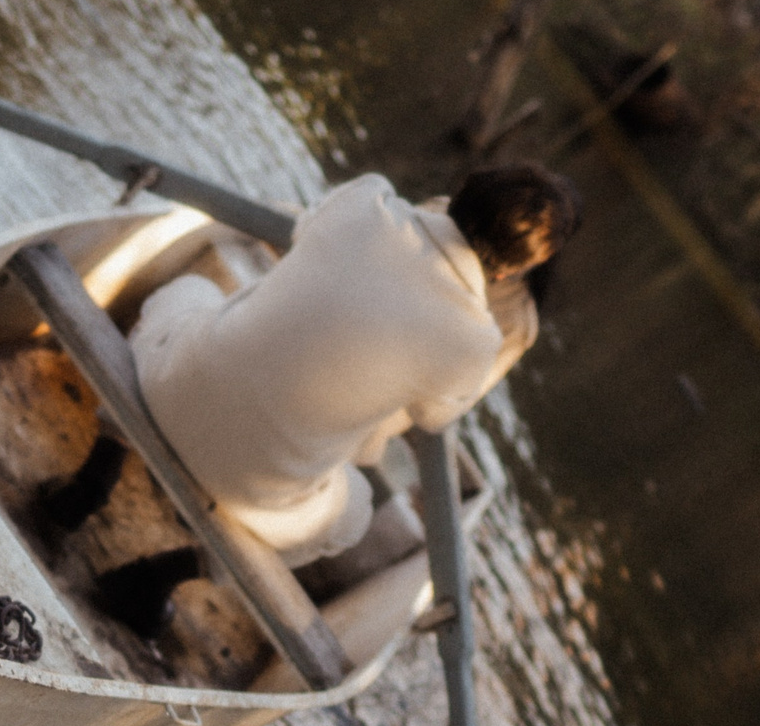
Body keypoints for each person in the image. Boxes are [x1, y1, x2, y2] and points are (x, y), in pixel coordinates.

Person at [127, 162, 580, 567]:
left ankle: (98, 471)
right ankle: (163, 576)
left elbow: (304, 233)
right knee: (353, 513)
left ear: (460, 194)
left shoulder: (367, 197)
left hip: (165, 392)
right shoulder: (477, 343)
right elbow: (432, 418)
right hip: (249, 490)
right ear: (509, 272)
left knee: (191, 292)